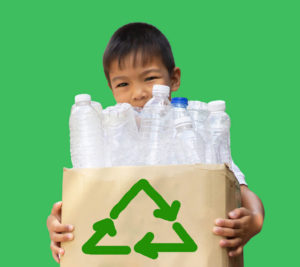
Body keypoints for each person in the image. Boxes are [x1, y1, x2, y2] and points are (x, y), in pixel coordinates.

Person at [47, 22, 265, 263]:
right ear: (110, 87)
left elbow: (236, 186)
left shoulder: (193, 125)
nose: (138, 93)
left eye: (149, 78)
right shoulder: (105, 129)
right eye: (123, 84)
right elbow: (78, 197)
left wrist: (254, 219)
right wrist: (56, 225)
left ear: (174, 79)